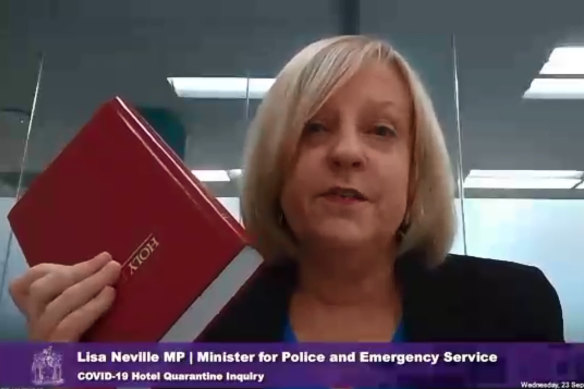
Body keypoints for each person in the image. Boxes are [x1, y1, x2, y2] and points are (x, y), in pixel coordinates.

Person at [9, 35, 564, 345]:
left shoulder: (514, 308)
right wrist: (57, 370)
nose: (346, 152)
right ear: (277, 166)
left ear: (417, 174)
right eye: (313, 128)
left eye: (382, 130)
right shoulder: (197, 322)